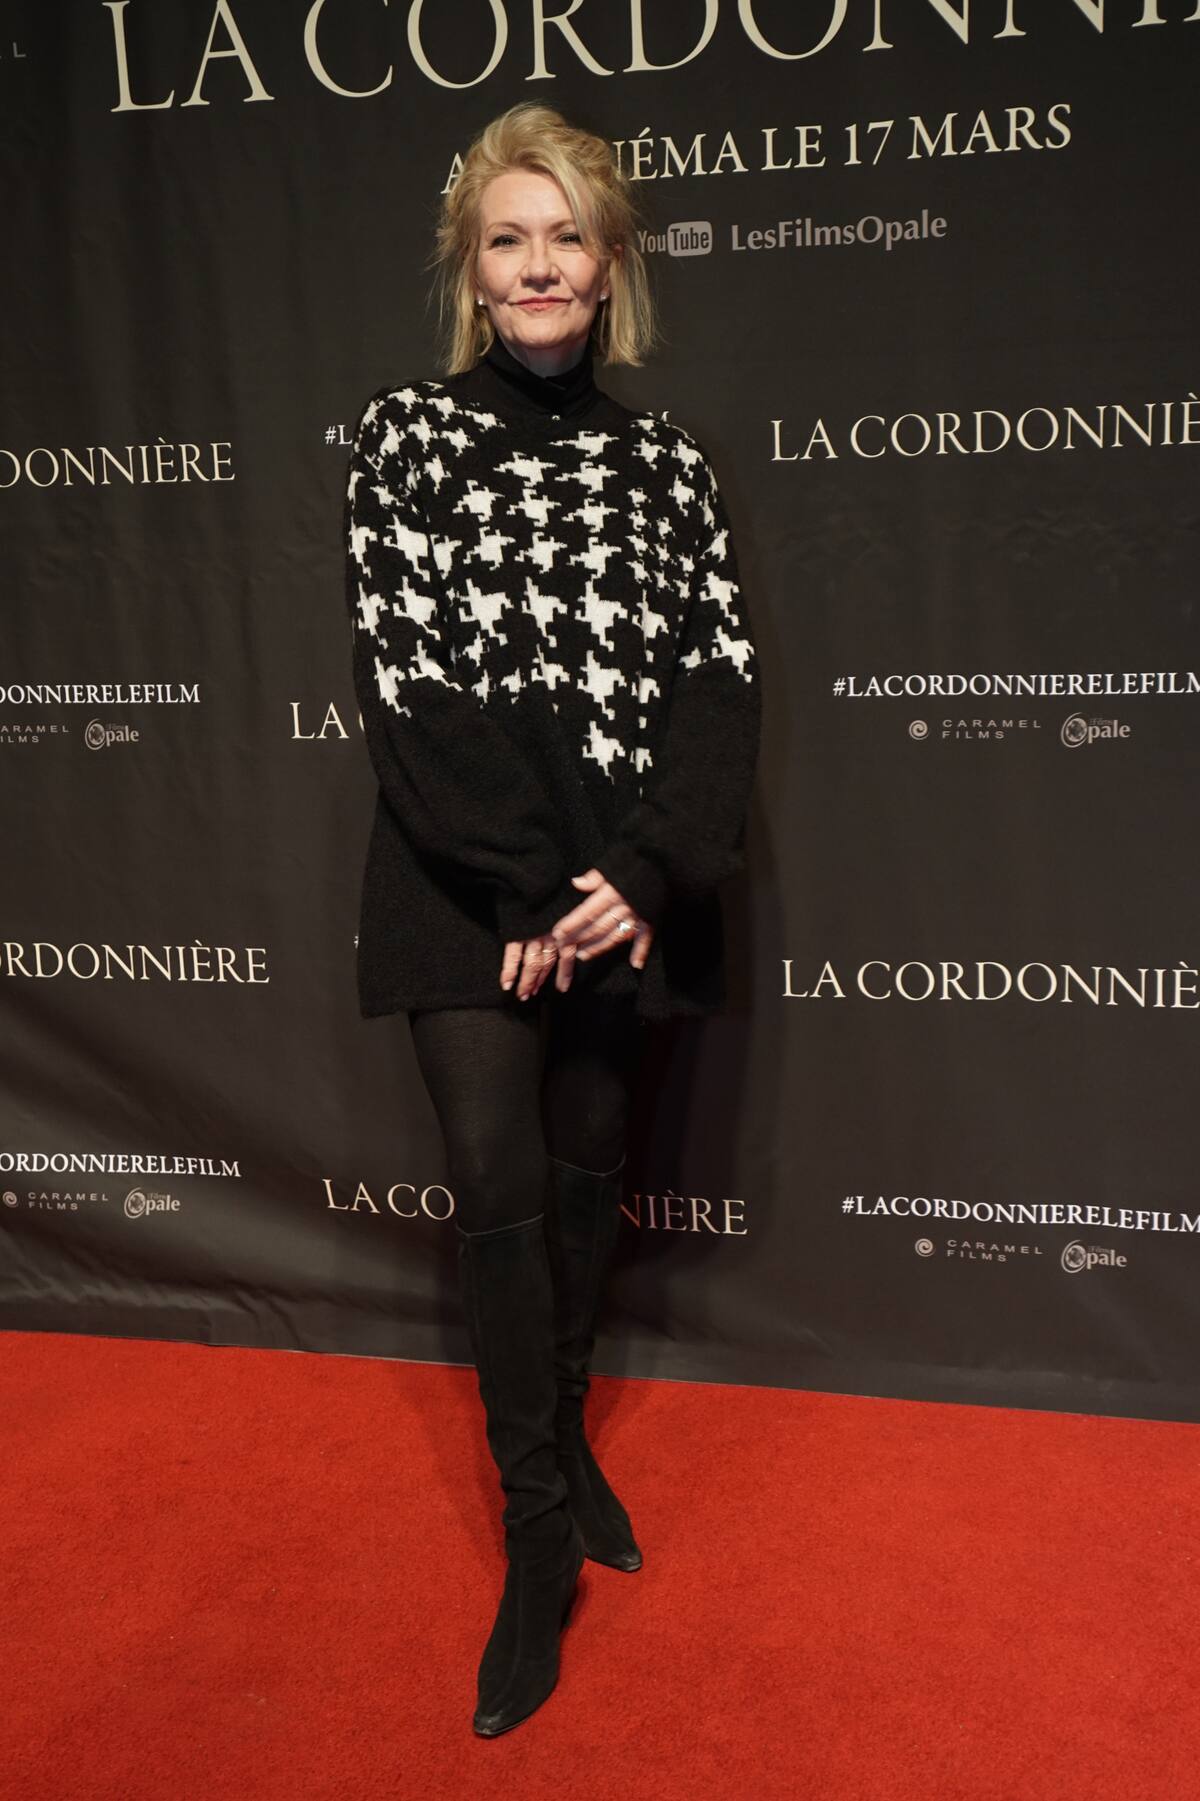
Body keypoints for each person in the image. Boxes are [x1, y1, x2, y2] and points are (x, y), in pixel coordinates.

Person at [342, 100, 761, 1738]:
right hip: (469, 884)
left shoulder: (670, 464)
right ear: (471, 270)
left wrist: (634, 878)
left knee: (591, 1161)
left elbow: (717, 691)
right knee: (499, 1181)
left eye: (566, 237)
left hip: (619, 893)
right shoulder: (403, 437)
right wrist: (523, 882)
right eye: (506, 239)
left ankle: (569, 1428)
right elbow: (410, 684)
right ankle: (534, 1530)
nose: (537, 265)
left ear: (609, 267)